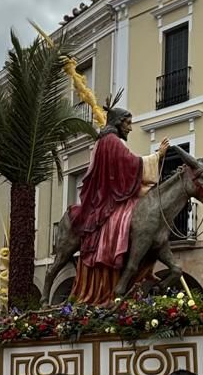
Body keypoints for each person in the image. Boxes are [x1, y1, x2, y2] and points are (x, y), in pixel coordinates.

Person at [68, 108, 167, 304]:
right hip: (110, 200)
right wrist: (158, 155)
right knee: (125, 225)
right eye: (127, 123)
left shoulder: (106, 141)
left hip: (111, 196)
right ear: (118, 122)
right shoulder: (112, 141)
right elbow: (129, 164)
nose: (130, 128)